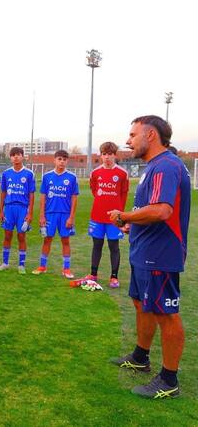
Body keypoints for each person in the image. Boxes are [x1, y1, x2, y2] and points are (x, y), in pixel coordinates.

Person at [109, 115, 190, 399]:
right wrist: (134, 222)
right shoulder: (153, 166)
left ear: (151, 135)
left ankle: (169, 380)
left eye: (133, 135)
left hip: (161, 253)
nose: (128, 140)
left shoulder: (166, 165)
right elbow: (152, 209)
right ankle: (141, 357)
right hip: (144, 250)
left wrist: (124, 216)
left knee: (165, 313)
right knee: (141, 303)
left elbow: (162, 211)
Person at [85, 142, 129, 288]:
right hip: (97, 216)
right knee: (96, 245)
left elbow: (123, 194)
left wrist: (120, 215)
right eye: (104, 154)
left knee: (113, 246)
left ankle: (114, 276)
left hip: (114, 219)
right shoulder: (95, 173)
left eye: (110, 154)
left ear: (115, 155)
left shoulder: (122, 173)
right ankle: (93, 274)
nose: (107, 157)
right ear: (101, 155)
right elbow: (94, 190)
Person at [32, 150, 79, 278]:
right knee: (47, 239)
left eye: (64, 159)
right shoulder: (47, 177)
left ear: (67, 161)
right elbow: (43, 197)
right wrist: (42, 215)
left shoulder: (72, 177)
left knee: (65, 240)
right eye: (59, 159)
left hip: (65, 215)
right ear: (54, 160)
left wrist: (71, 217)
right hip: (50, 214)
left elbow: (74, 198)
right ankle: (42, 266)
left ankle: (66, 269)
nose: (62, 161)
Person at [0, 147, 35, 274]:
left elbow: (31, 195)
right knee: (7, 235)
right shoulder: (6, 174)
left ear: (22, 156)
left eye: (18, 154)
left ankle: (21, 265)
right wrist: (1, 210)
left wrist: (30, 213)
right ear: (10, 157)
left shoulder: (29, 174)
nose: (16, 157)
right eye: (13, 155)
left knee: (21, 236)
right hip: (9, 208)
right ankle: (5, 263)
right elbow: (3, 193)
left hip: (22, 208)